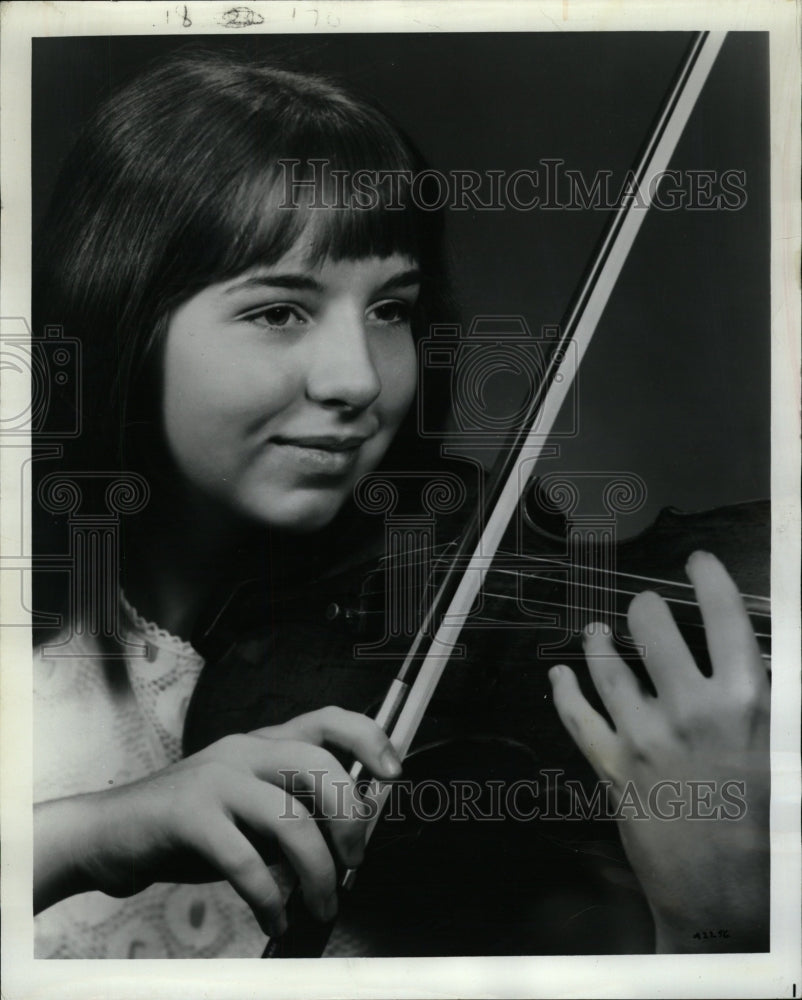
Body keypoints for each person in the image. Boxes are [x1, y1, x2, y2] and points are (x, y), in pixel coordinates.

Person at [32, 51, 769, 959]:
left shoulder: (431, 728)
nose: (358, 381)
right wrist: (87, 834)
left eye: (391, 310)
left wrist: (715, 915)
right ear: (123, 318)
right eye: (278, 312)